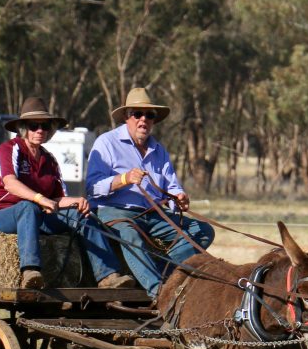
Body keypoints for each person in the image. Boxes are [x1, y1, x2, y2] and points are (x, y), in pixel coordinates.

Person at [0, 97, 136, 291]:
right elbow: (10, 183)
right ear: (24, 128)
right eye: (34, 126)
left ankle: (108, 275)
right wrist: (39, 198)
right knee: (28, 207)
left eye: (44, 126)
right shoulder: (9, 149)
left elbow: (57, 198)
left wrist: (77, 201)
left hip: (36, 214)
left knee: (81, 215)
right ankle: (30, 271)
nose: (40, 130)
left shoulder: (49, 159)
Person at [86, 86, 214, 297]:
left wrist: (178, 199)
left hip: (152, 214)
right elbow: (92, 188)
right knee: (129, 234)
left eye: (149, 115)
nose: (143, 119)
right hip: (115, 211)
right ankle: (159, 294)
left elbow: (171, 186)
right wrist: (124, 179)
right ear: (127, 117)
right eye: (138, 114)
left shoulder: (159, 150)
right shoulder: (106, 143)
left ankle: (165, 274)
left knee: (203, 231)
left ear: (154, 120)